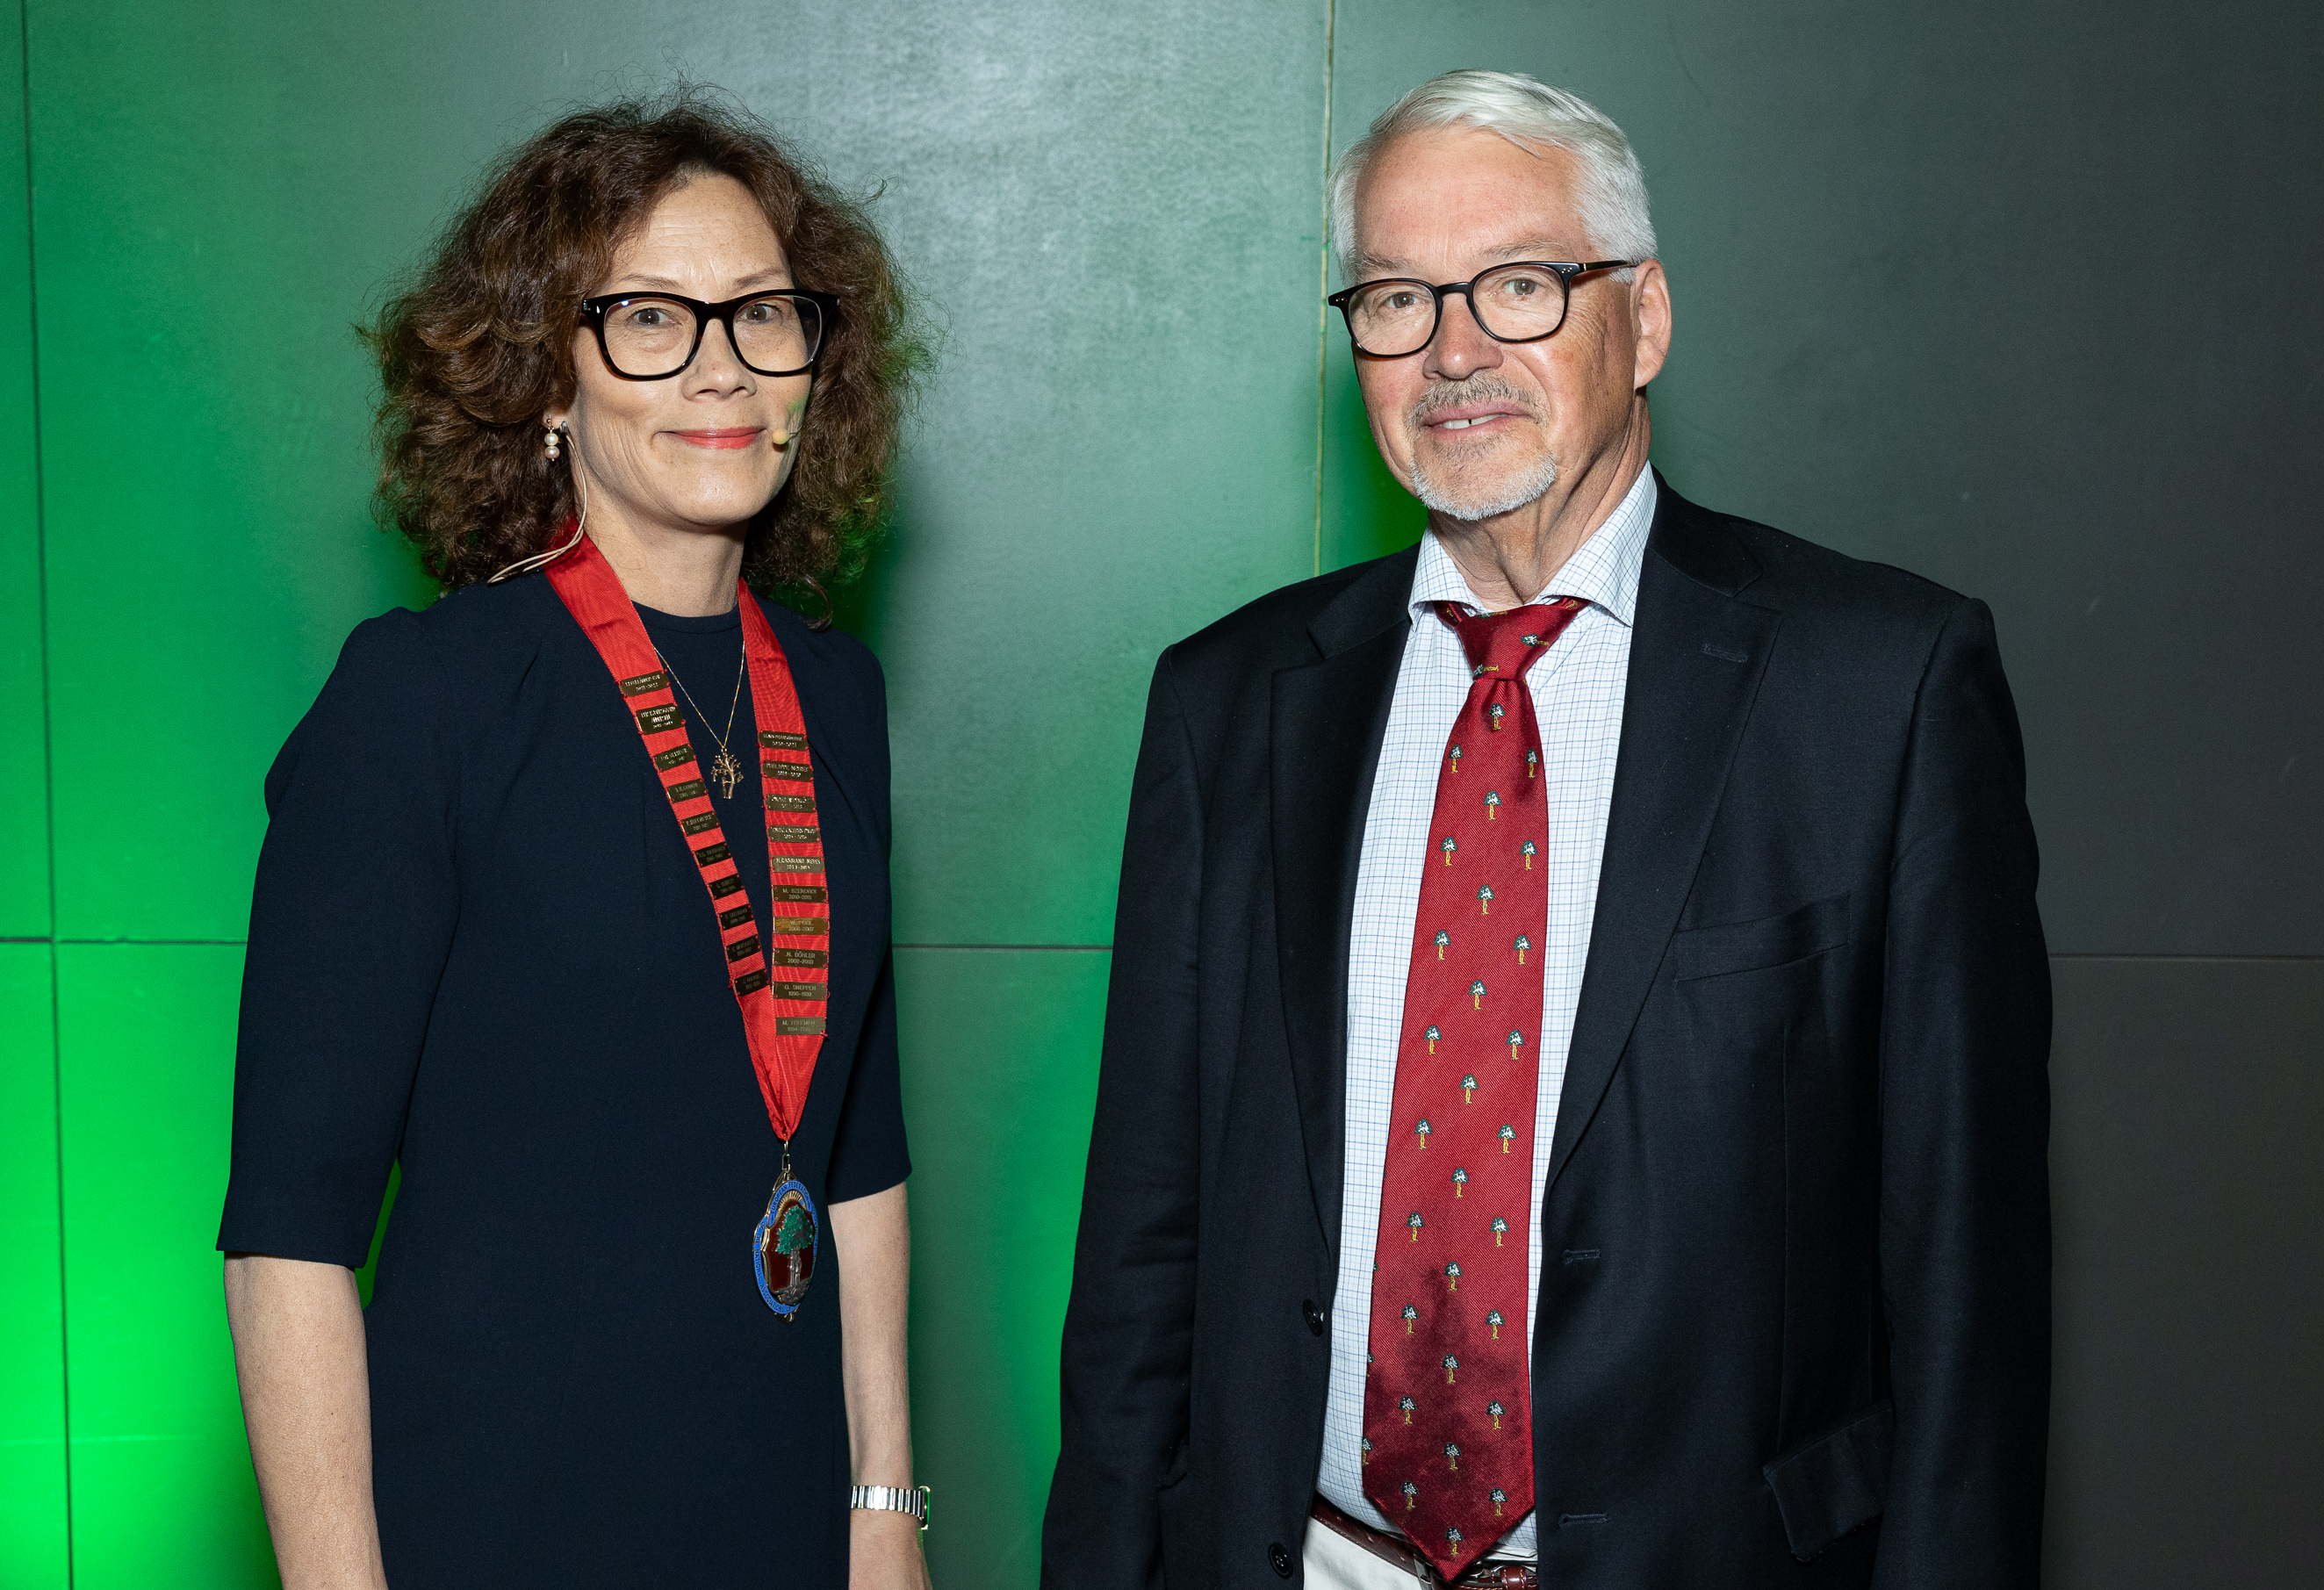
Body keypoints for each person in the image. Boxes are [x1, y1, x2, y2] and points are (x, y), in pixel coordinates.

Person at [1044, 70, 2049, 1589]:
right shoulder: (1229, 702)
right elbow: (1144, 1237)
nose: (1453, 351)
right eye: (1396, 298)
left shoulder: (1878, 687)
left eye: (1518, 284)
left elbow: (1965, 1276)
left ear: (1641, 320)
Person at [219, 94, 933, 1587]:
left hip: (779, 1511)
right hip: (498, 1520)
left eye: (763, 315)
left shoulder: (837, 695)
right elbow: (290, 1234)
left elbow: (855, 1152)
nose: (722, 367)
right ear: (548, 376)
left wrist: (881, 1516)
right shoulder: (420, 701)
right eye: (650, 319)